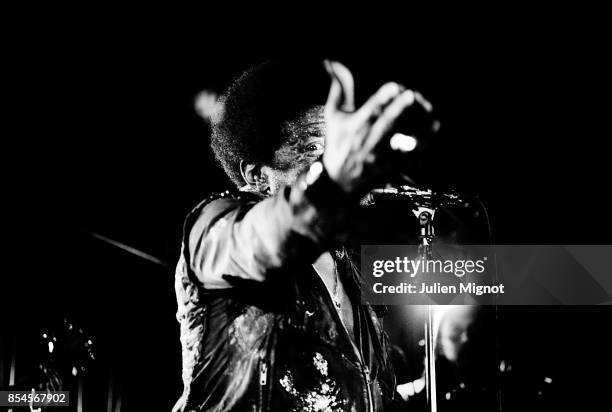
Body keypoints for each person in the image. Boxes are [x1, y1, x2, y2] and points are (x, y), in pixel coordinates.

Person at [173, 59, 431, 411]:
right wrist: (333, 184)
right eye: (311, 149)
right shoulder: (217, 225)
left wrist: (424, 387)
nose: (327, 162)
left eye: (335, 148)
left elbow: (354, 393)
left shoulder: (355, 275)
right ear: (257, 175)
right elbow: (262, 241)